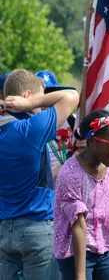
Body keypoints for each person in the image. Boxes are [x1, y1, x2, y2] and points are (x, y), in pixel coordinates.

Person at [0, 69, 79, 280]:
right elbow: (71, 95)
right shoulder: (29, 130)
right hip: (36, 228)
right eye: (40, 98)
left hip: (5, 231)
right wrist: (28, 105)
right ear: (27, 97)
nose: (43, 106)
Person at [53, 110, 109, 280]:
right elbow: (79, 226)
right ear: (91, 142)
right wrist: (81, 276)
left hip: (103, 251)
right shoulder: (71, 173)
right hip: (75, 254)